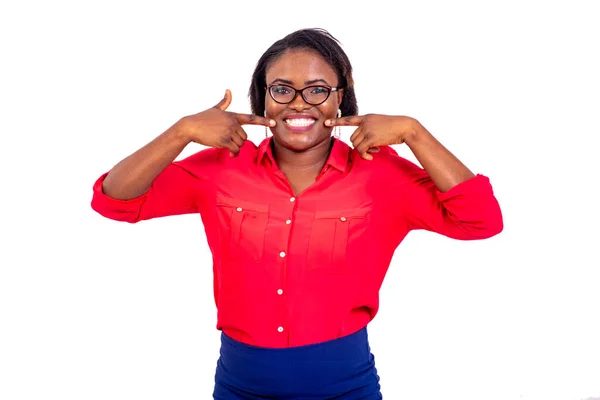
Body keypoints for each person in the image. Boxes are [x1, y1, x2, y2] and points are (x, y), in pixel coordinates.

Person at [91, 28, 503, 399]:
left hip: (346, 386)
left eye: (318, 89)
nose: (299, 104)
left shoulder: (380, 175)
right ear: (264, 97)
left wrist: (415, 132)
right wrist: (181, 131)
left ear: (340, 97)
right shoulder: (221, 168)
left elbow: (481, 220)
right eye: (282, 90)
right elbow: (114, 199)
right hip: (239, 385)